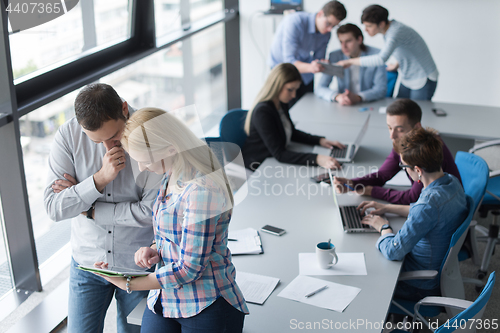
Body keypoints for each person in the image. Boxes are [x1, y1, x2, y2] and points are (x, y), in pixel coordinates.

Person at [93, 107, 249, 332]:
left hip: (206, 301)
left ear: (171, 149)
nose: (141, 167)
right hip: (166, 297)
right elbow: (171, 233)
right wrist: (155, 248)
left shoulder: (202, 191)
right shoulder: (171, 174)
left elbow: (189, 268)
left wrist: (130, 283)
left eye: (144, 160)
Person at [44, 84, 156, 333]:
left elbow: (151, 212)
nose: (108, 146)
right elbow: (54, 208)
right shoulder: (68, 136)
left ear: (124, 109)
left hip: (137, 264)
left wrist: (89, 208)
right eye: (98, 141)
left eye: (114, 136)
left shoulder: (150, 134)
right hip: (88, 264)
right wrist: (99, 180)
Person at [359, 127, 468, 301]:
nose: (404, 169)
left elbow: (394, 251)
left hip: (417, 284)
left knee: (364, 271)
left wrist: (383, 227)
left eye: (403, 166)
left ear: (417, 170)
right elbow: (426, 212)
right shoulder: (451, 182)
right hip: (437, 268)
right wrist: (387, 208)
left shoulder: (427, 205)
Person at [333, 99, 461, 205]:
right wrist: (352, 183)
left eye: (399, 129)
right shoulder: (405, 143)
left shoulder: (425, 151)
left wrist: (372, 191)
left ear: (417, 127)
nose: (392, 136)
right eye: (389, 128)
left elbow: (413, 197)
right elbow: (383, 175)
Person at [242, 63, 345, 171]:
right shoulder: (262, 112)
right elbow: (280, 154)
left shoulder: (281, 103)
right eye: (290, 90)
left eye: (296, 89)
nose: (294, 95)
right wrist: (317, 159)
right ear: (277, 85)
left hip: (270, 162)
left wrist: (320, 141)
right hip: (255, 167)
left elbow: (292, 133)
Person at [336, 5, 438, 100]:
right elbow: (408, 49)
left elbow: (381, 59)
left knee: (416, 112)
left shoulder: (395, 32)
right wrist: (397, 64)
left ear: (381, 24)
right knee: (400, 109)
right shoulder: (390, 30)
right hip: (408, 77)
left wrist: (350, 62)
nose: (365, 30)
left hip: (423, 77)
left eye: (369, 26)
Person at [269, 1, 346, 104]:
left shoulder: (326, 34)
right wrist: (312, 67)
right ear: (320, 14)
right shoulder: (295, 22)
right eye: (328, 24)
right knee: (285, 108)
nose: (329, 29)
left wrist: (322, 64)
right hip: (282, 71)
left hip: (305, 74)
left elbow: (318, 59)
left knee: (305, 105)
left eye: (333, 26)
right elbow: (289, 62)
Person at [315, 23, 387, 105]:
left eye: (348, 41)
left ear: (359, 40)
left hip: (368, 103)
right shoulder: (335, 56)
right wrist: (337, 96)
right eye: (341, 42)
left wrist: (358, 97)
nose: (344, 46)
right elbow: (320, 88)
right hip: (344, 105)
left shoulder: (376, 55)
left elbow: (381, 89)